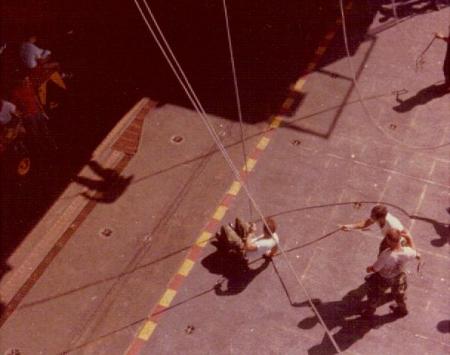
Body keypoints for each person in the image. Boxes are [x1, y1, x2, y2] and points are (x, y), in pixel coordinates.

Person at [363, 228, 421, 318]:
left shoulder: (386, 255)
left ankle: (369, 312)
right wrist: (409, 238)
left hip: (384, 278)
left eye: (387, 239)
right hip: (399, 276)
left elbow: (376, 268)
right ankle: (402, 310)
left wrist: (369, 269)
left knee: (374, 295)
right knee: (399, 295)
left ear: (390, 241)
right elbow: (414, 252)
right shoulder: (406, 251)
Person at [339, 204, 413, 255]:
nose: (371, 217)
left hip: (397, 242)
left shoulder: (393, 225)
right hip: (388, 238)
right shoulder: (379, 218)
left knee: (389, 259)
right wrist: (350, 226)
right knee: (382, 253)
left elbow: (405, 234)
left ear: (381, 218)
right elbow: (366, 223)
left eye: (373, 216)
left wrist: (412, 250)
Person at [10, 75, 57, 151]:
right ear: (20, 81)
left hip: (37, 113)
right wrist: (21, 116)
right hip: (29, 116)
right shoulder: (16, 92)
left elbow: (36, 100)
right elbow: (13, 107)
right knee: (36, 134)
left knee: (45, 130)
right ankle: (43, 150)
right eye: (25, 81)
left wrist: (43, 112)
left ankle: (53, 146)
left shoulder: (30, 87)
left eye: (28, 80)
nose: (27, 82)